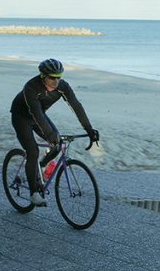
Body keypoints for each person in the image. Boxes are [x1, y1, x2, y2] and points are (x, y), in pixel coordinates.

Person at [10, 58, 99, 206]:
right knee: (33, 151)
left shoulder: (63, 87)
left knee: (58, 145)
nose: (56, 81)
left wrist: (89, 129)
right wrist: (51, 135)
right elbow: (36, 114)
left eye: (59, 77)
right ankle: (33, 193)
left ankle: (42, 166)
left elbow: (76, 106)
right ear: (43, 76)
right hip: (21, 117)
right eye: (52, 77)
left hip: (39, 116)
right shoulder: (31, 87)